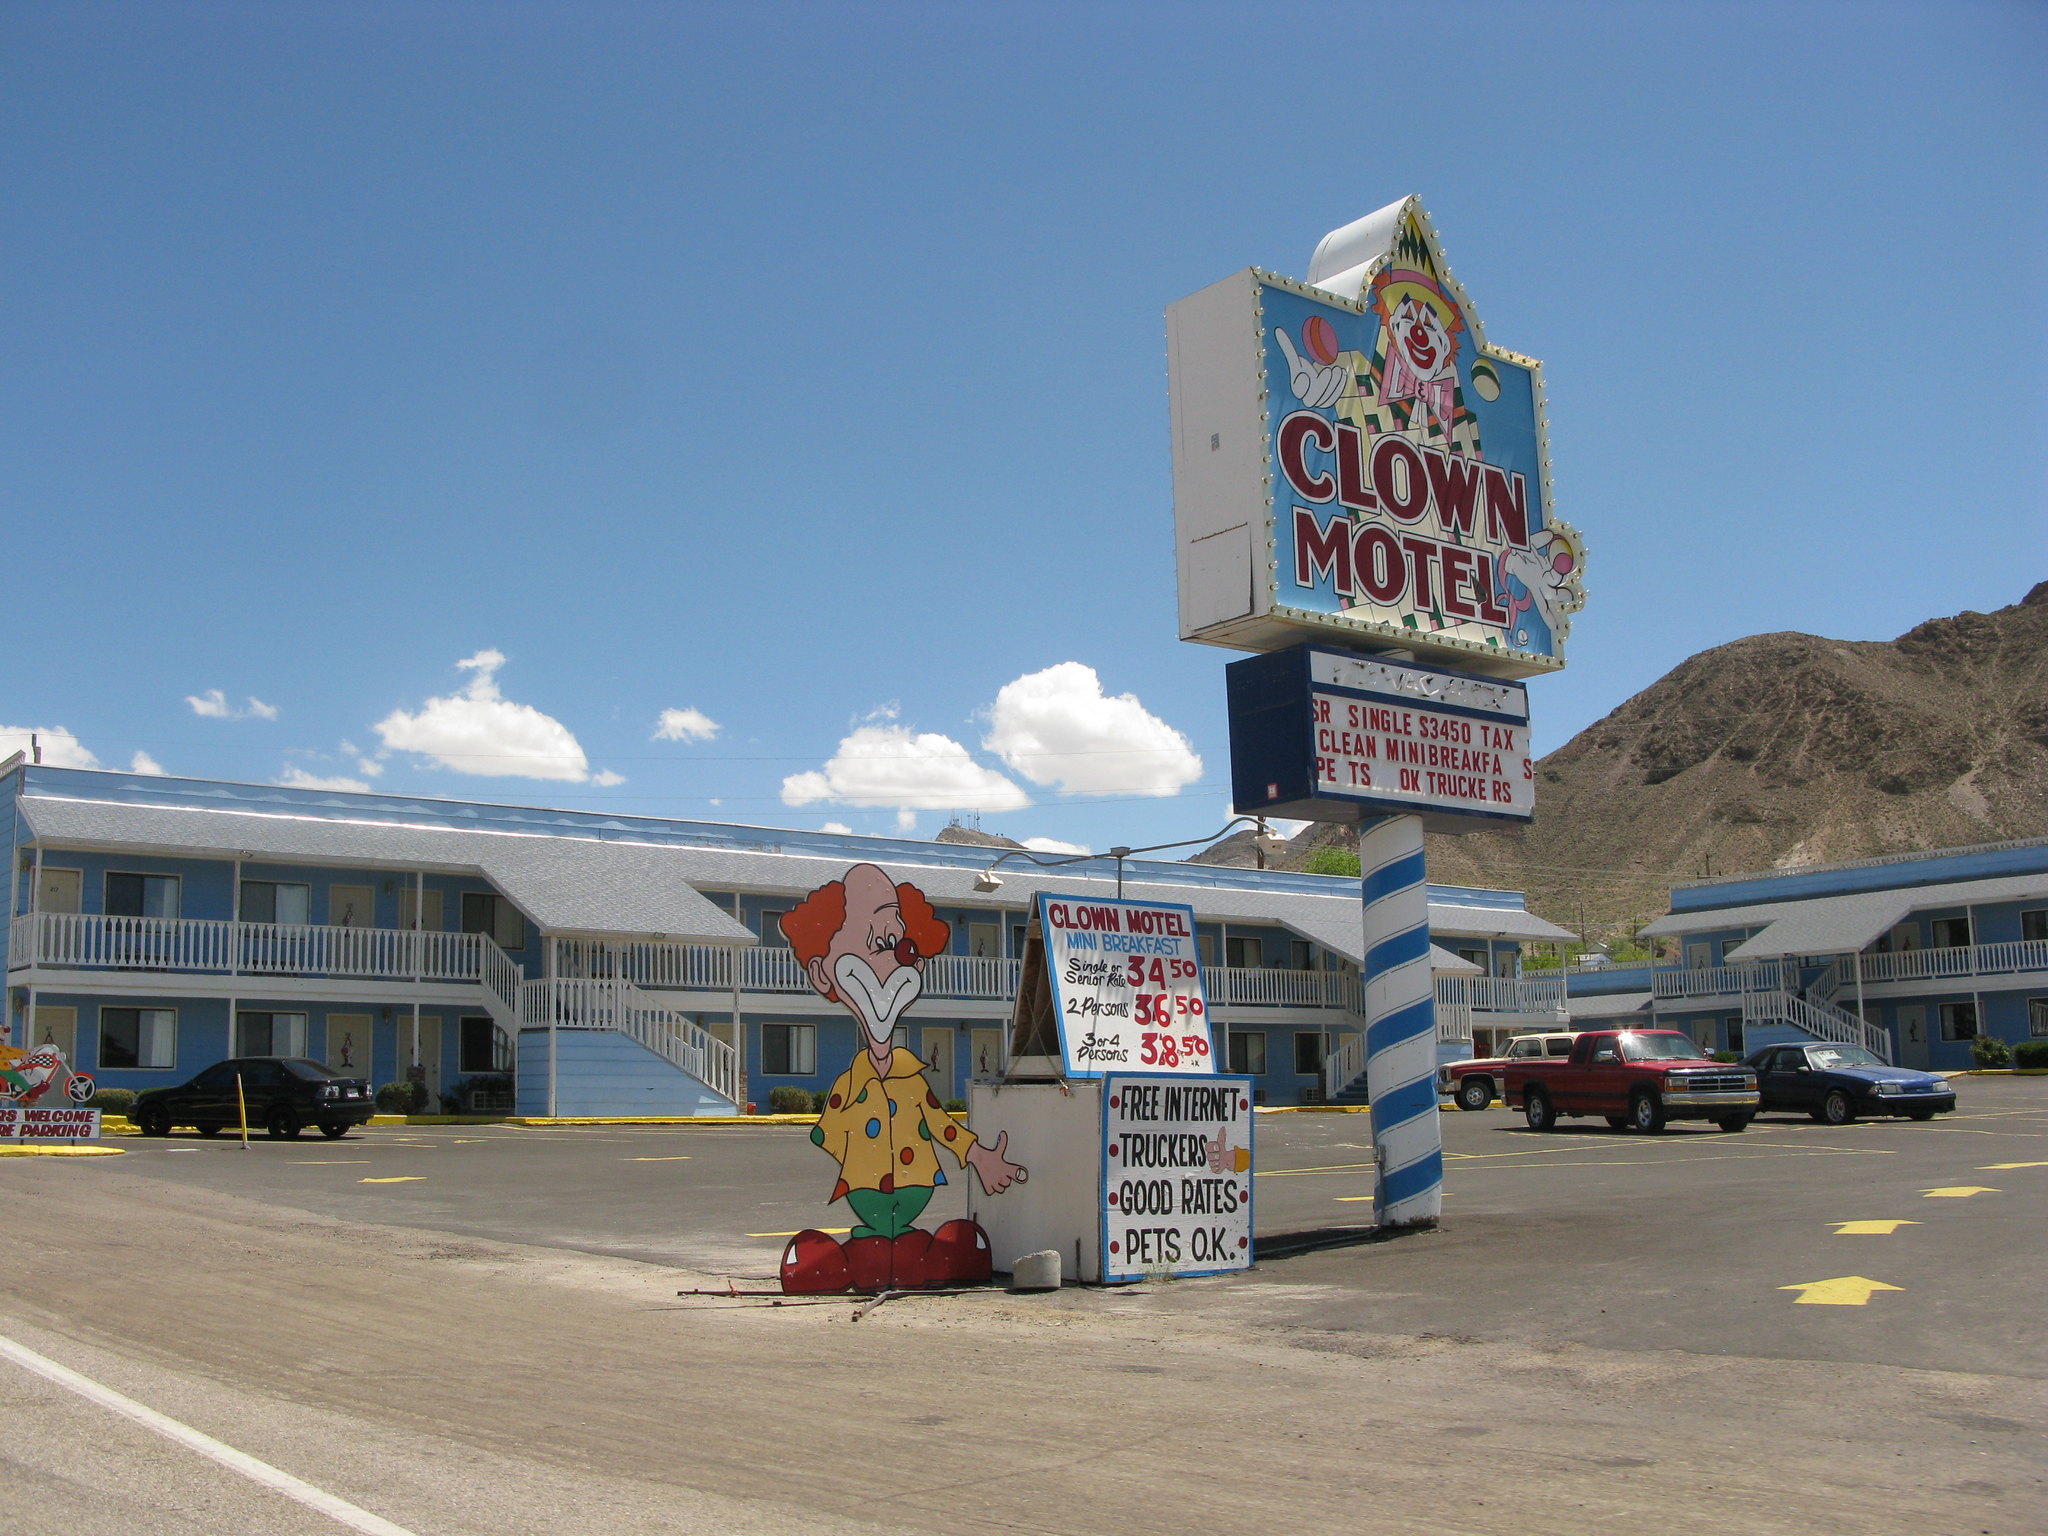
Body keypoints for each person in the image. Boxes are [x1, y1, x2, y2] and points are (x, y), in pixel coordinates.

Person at [775, 863, 1025, 1292]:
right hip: (865, 1190)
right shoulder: (850, 1085)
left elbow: (941, 1124)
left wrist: (980, 1156)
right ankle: (852, 1259)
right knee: (876, 1245)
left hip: (916, 1185)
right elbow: (830, 1135)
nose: (888, 966)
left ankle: (920, 1255)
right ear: (822, 974)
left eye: (899, 949)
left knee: (932, 1248)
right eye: (872, 948)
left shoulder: (912, 1078)